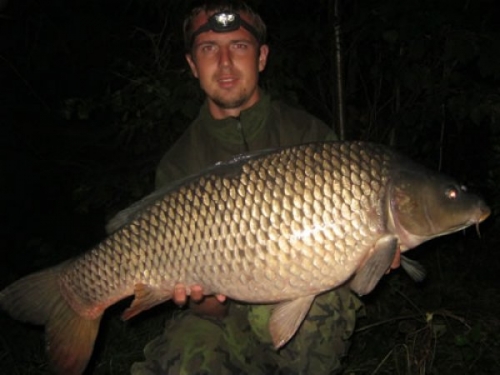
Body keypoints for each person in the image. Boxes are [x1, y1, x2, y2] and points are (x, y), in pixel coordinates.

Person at [131, 1, 364, 374]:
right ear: (192, 65)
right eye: (209, 49)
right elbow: (208, 309)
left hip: (296, 299)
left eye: (239, 46)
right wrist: (198, 295)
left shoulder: (309, 137)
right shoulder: (178, 163)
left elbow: (348, 269)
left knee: (325, 307)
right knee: (183, 354)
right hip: (220, 319)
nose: (224, 63)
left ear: (261, 57)